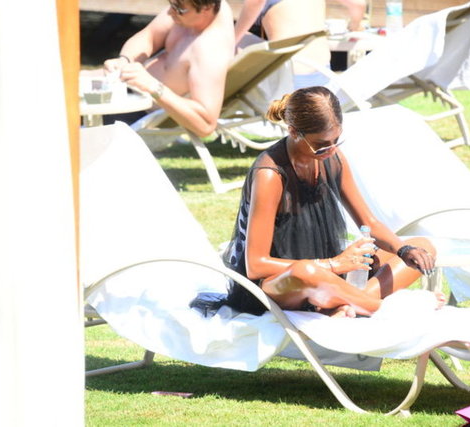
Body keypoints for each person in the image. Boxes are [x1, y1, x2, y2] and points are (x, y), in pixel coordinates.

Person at [202, 86, 439, 318]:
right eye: (321, 144)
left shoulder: (332, 158)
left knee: (423, 245)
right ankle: (383, 309)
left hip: (324, 274)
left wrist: (404, 250)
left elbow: (369, 223)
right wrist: (334, 264)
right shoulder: (270, 175)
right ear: (294, 131)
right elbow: (256, 265)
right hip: (277, 284)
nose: (330, 149)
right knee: (305, 271)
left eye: (336, 140)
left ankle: (353, 303)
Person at [102, 0, 235, 137]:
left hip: (142, 117)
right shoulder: (193, 11)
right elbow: (150, 35)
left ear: (207, 8)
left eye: (179, 8)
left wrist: (153, 86)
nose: (170, 12)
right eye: (172, 4)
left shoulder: (210, 50)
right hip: (128, 92)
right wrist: (125, 60)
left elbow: (206, 125)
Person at [233, 0, 332, 89]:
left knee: (231, 38)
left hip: (290, 80)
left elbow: (256, 2)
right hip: (324, 76)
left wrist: (233, 40)